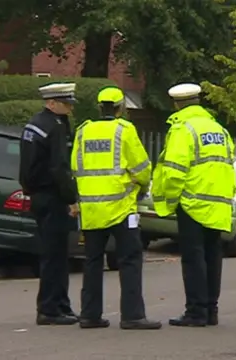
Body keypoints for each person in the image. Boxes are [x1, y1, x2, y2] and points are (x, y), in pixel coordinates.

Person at [71, 86, 162, 330]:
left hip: (91, 210)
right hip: (122, 208)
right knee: (130, 260)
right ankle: (132, 316)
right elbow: (142, 167)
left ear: (99, 107)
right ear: (121, 108)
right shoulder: (125, 130)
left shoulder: (83, 131)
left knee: (92, 262)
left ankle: (89, 315)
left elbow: (75, 167)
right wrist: (140, 183)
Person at [152, 83, 236, 327]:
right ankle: (211, 310)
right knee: (213, 255)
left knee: (193, 257)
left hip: (192, 202)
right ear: (198, 101)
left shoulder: (182, 128)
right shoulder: (219, 130)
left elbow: (175, 170)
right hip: (218, 202)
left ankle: (195, 311)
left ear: (177, 104)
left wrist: (170, 199)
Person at [19, 82, 80, 326]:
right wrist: (71, 199)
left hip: (37, 194)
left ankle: (61, 305)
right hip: (53, 196)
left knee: (53, 252)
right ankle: (50, 309)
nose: (69, 109)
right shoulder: (55, 128)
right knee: (55, 256)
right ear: (51, 103)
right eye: (65, 104)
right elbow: (59, 167)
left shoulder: (35, 124)